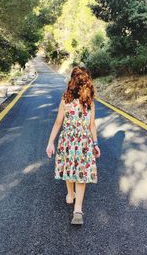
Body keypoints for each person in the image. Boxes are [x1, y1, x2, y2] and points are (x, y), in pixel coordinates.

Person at [46, 66, 101, 225]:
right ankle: (78, 210)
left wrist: (51, 142)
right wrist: (96, 144)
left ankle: (70, 195)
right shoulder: (89, 102)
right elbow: (92, 126)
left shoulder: (65, 99)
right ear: (87, 82)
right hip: (84, 140)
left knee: (69, 167)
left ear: (72, 81)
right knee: (81, 174)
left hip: (67, 140)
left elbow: (58, 122)